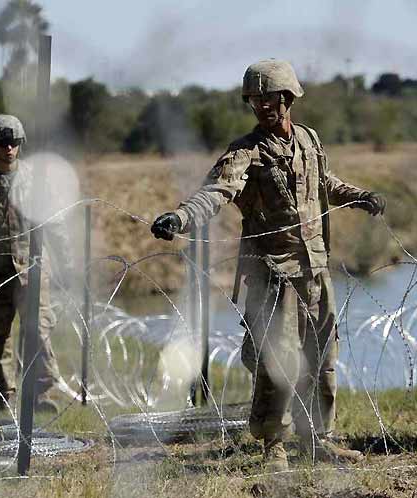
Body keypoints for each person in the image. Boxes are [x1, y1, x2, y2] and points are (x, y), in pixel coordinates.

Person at [150, 60, 385, 471]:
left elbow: (325, 182)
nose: (262, 106)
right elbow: (216, 192)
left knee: (322, 356)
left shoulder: (310, 139)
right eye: (254, 100)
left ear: (288, 98)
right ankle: (272, 444)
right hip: (273, 274)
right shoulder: (246, 152)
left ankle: (318, 438)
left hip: (315, 268)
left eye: (269, 98)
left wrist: (359, 195)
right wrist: (181, 217)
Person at [0, 114, 73, 413]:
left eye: (14, 143)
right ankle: (3, 395)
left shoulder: (36, 182)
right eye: (2, 143)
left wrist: (67, 265)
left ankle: (41, 395)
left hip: (32, 268)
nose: (8, 148)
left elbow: (55, 225)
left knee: (39, 333)